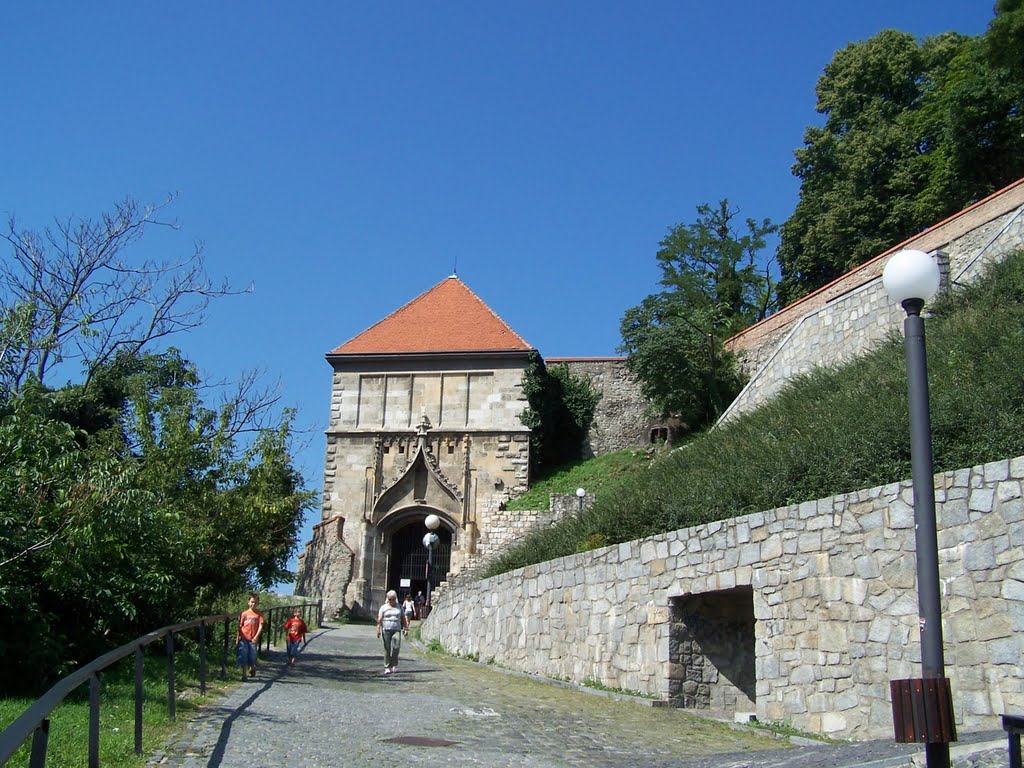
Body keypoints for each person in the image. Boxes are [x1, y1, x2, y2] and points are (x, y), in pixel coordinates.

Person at [375, 590, 409, 675]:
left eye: (393, 599)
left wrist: (406, 628)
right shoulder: (383, 607)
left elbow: (403, 618)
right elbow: (379, 619)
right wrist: (378, 629)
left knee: (396, 646)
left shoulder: (399, 607)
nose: (392, 601)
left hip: (396, 629)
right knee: (387, 648)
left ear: (395, 598)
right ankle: (387, 666)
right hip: (386, 629)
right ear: (388, 599)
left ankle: (394, 664)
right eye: (390, 599)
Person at [236, 593, 264, 680]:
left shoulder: (259, 614)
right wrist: (238, 638)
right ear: (248, 602)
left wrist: (256, 636)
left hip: (253, 638)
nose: (253, 604)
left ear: (258, 603)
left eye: (255, 602)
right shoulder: (244, 613)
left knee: (252, 654)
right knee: (243, 654)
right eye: (252, 602)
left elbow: (260, 625)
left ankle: (252, 666)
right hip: (244, 637)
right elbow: (240, 626)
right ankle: (244, 674)